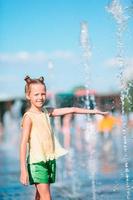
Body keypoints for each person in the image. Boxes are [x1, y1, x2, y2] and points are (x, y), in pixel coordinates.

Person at [20, 75, 108, 200]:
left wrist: (94, 111)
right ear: (28, 96)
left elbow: (71, 109)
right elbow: (23, 143)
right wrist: (23, 170)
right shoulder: (29, 117)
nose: (40, 97)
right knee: (46, 196)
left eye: (43, 94)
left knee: (40, 195)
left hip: (49, 160)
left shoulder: (46, 111)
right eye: (36, 94)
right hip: (36, 163)